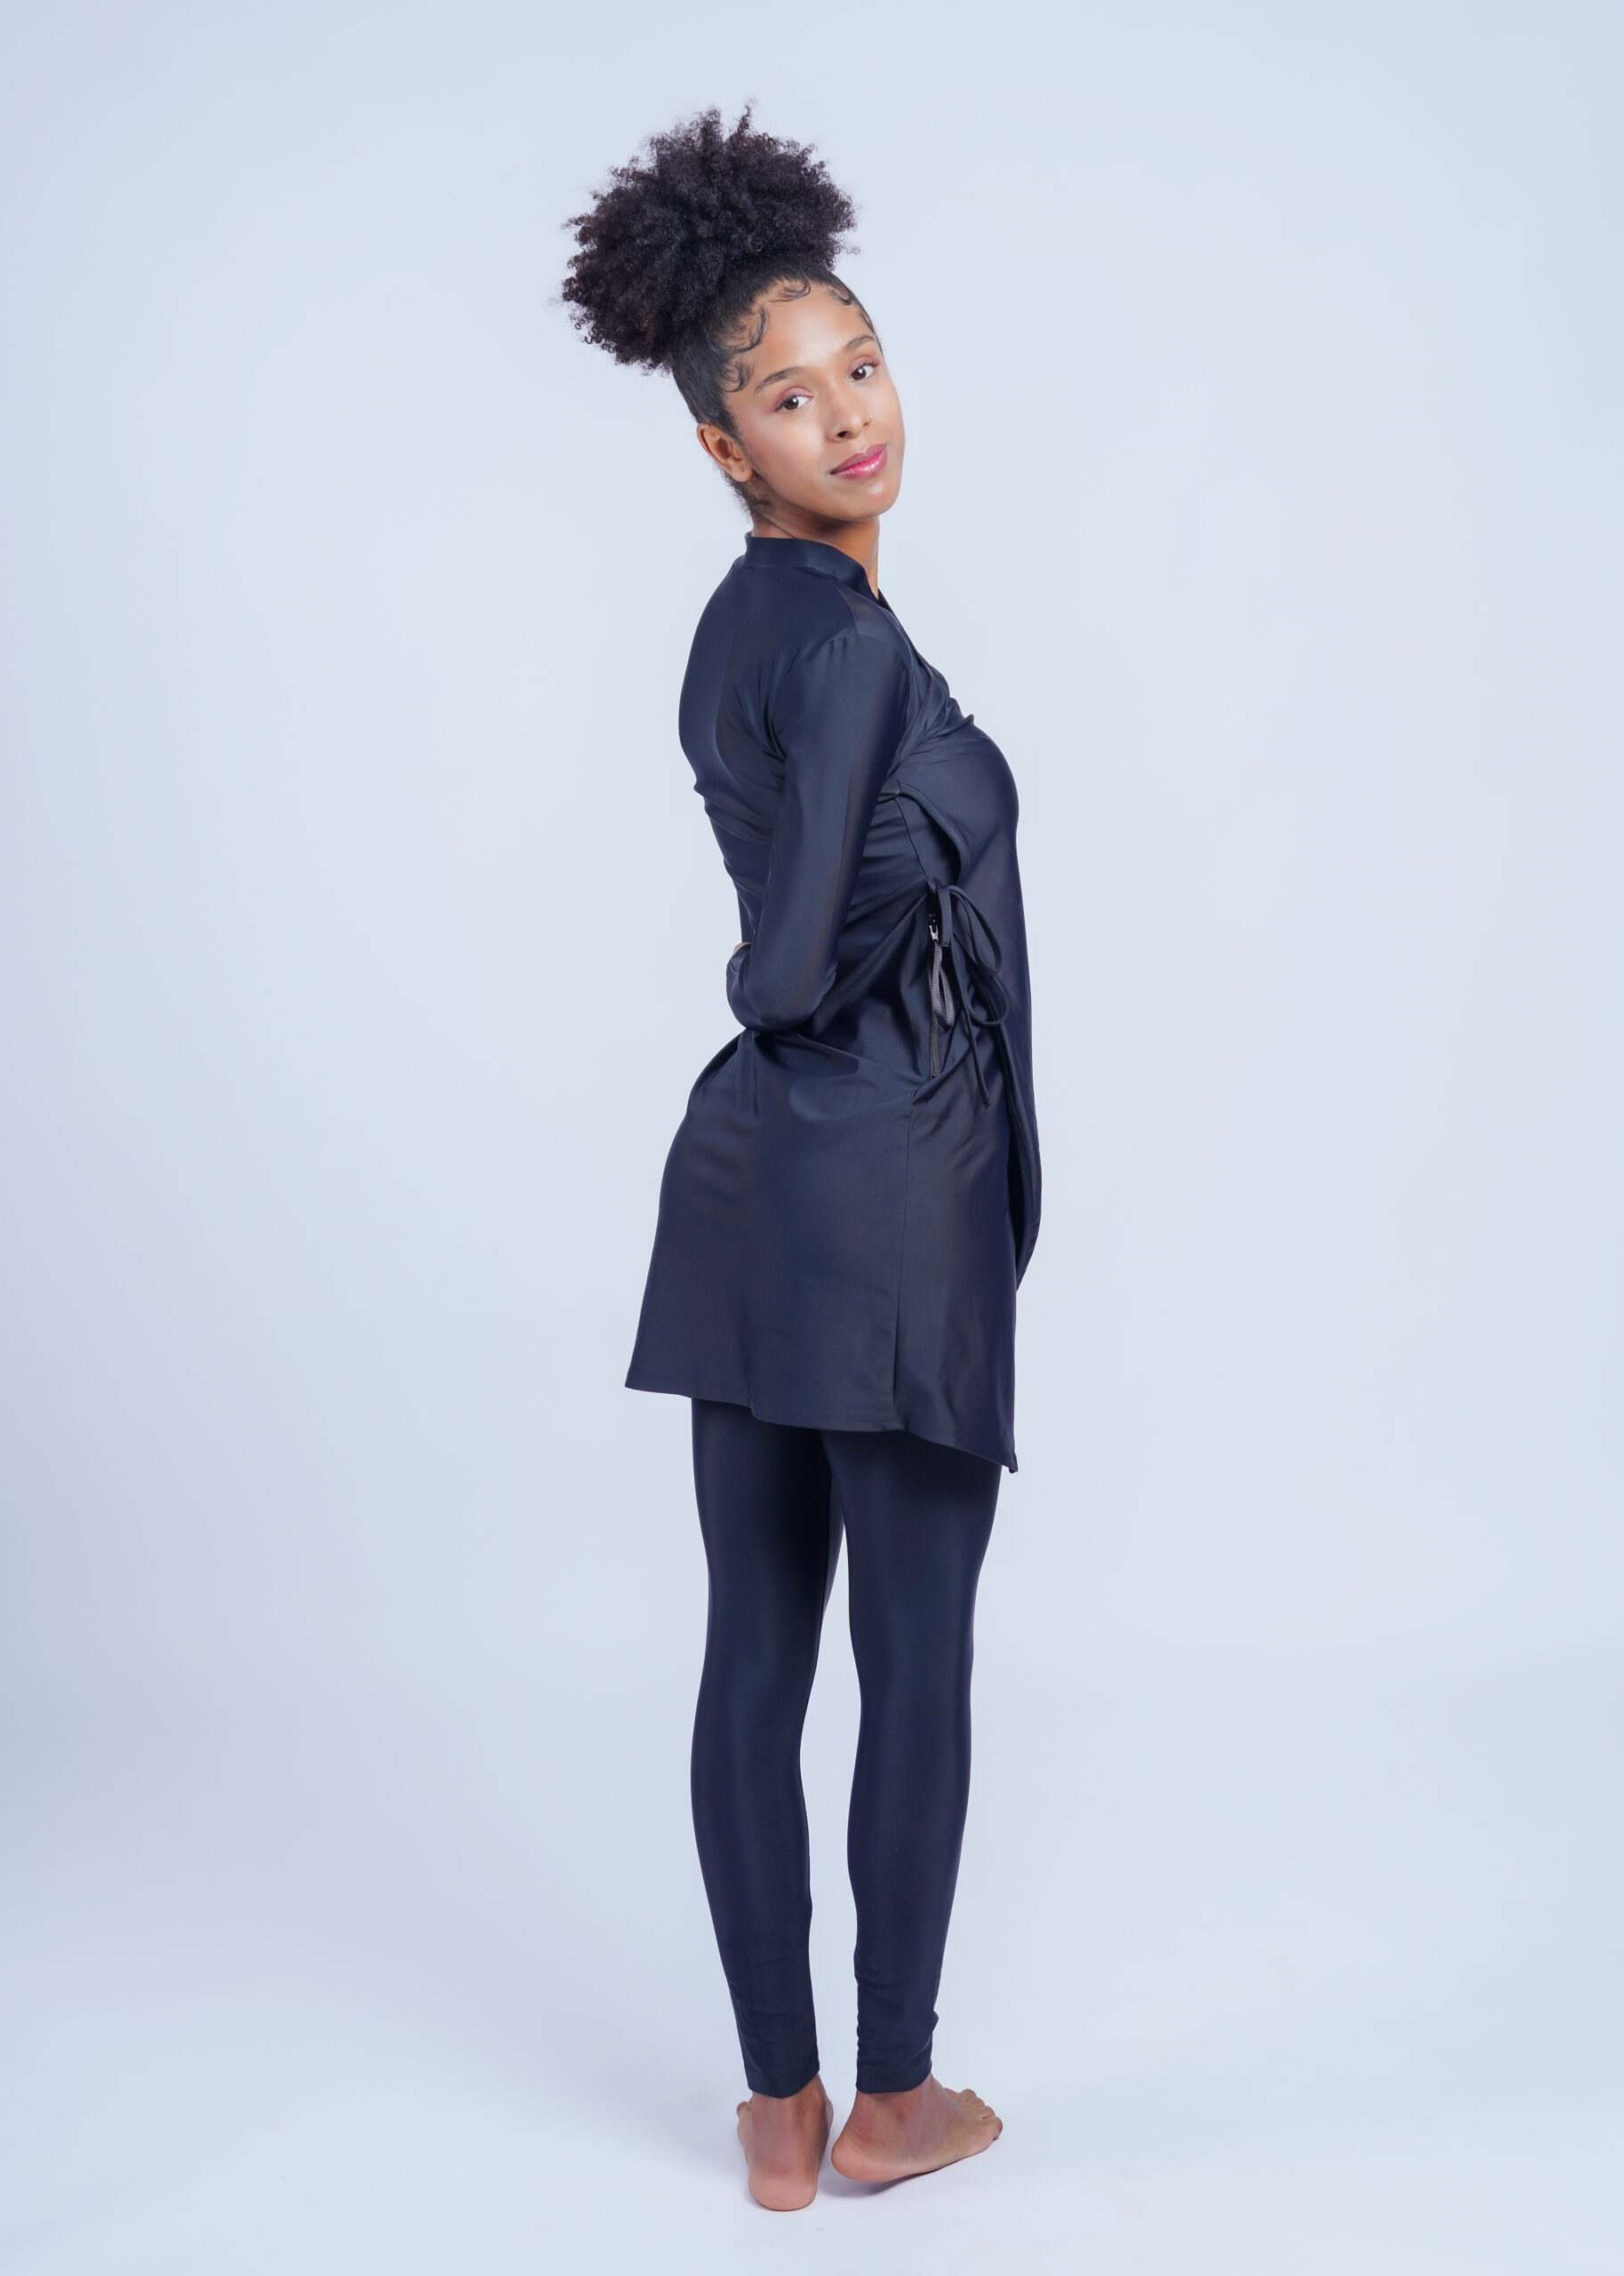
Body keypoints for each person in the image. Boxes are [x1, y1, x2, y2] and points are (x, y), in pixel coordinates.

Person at [562, 107, 1041, 2212]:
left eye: (862, 362)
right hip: (884, 1183)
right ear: (721, 443)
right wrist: (880, 907)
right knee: (909, 1659)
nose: (848, 414)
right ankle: (893, 2100)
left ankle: (774, 2103)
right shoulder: (847, 647)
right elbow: (784, 963)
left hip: (748, 1184)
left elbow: (782, 907)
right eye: (787, 393)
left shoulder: (734, 623)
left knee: (753, 1644)